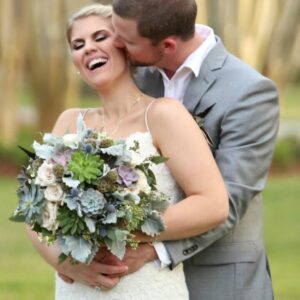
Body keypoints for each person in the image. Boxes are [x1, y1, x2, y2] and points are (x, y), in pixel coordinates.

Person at [26, 3, 229, 300]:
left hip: (146, 286)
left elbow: (213, 204)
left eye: (99, 37)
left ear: (124, 46)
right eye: (78, 44)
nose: (88, 48)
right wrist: (68, 263)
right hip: (77, 290)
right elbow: (34, 212)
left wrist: (123, 228)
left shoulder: (164, 115)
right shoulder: (68, 121)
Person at [91, 0, 277, 299]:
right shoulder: (135, 76)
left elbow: (229, 202)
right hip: (138, 283)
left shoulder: (250, 93)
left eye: (125, 40)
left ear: (166, 45)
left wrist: (156, 249)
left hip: (216, 279)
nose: (115, 43)